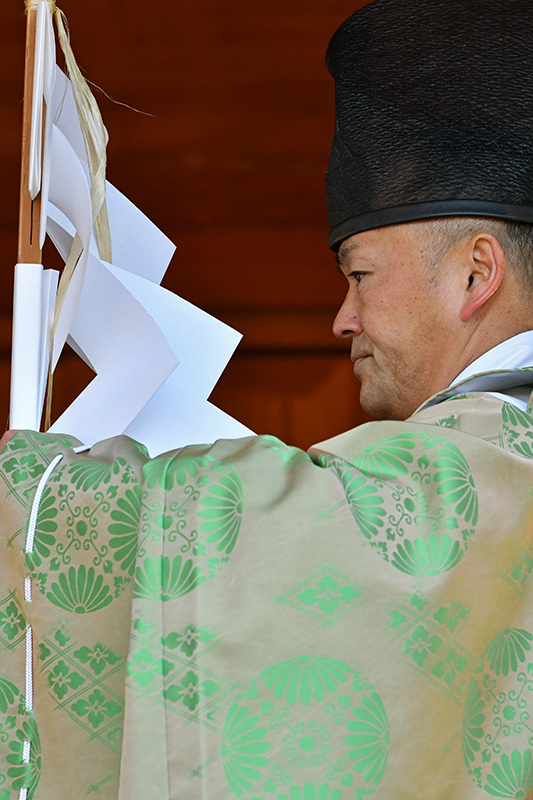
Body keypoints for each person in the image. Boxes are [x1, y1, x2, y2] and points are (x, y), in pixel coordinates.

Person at [2, 0, 533, 797]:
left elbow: (270, 523)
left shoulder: (470, 474)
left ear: (473, 273)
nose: (341, 319)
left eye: (359, 276)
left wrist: (38, 493)